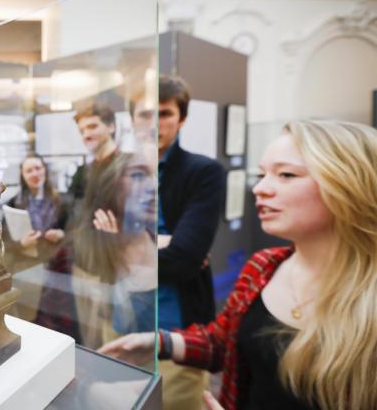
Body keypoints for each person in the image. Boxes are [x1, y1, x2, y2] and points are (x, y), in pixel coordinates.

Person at [103, 119, 377, 410]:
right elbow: (227, 340)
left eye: (286, 174)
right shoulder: (263, 266)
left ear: (348, 183)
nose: (260, 189)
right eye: (261, 175)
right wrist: (160, 343)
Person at [135, 75, 225, 410]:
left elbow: (186, 258)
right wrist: (160, 243)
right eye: (145, 114)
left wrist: (128, 247)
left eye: (165, 113)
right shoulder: (120, 172)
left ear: (181, 118)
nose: (154, 123)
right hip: (123, 319)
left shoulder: (204, 172)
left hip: (176, 328)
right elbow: (95, 245)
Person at [71, 143, 157, 350]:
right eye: (137, 176)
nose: (154, 186)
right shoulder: (90, 250)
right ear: (110, 187)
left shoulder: (161, 239)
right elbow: (94, 336)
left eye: (156, 175)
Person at [3, 153, 76, 336]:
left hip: (58, 269)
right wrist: (21, 244)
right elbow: (4, 243)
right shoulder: (13, 204)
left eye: (38, 168)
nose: (35, 173)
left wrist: (62, 234)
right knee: (36, 326)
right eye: (29, 170)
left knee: (62, 324)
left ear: (44, 170)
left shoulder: (63, 200)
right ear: (23, 176)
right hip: (29, 270)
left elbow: (75, 232)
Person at [68, 104, 118, 202]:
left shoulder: (128, 167)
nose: (86, 135)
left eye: (92, 127)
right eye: (82, 131)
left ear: (111, 127)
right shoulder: (81, 173)